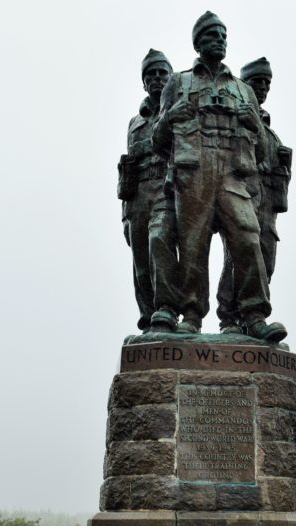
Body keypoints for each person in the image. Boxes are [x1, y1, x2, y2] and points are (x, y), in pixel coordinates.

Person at [152, 11, 287, 343]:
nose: (220, 41)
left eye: (224, 36)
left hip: (232, 172)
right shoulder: (179, 83)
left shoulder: (244, 90)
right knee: (193, 244)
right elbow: (158, 141)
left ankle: (253, 315)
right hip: (194, 171)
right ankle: (191, 315)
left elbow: (262, 152)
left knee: (248, 238)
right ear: (198, 43)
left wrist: (254, 124)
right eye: (213, 36)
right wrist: (170, 117)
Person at [216, 57, 292, 333]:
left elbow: (276, 174)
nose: (263, 88)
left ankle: (250, 319)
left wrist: (285, 165)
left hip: (267, 205)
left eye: (267, 83)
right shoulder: (235, 117)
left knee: (264, 260)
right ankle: (231, 316)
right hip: (241, 195)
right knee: (239, 256)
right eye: (257, 82)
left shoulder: (269, 131)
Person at [118, 49, 175, 332]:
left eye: (161, 73)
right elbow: (127, 167)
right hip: (138, 195)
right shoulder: (135, 123)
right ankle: (149, 314)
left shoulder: (178, 112)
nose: (156, 78)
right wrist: (125, 216)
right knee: (140, 260)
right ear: (143, 82)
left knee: (159, 241)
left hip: (167, 190)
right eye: (150, 74)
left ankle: (166, 309)